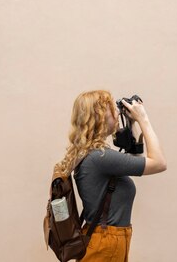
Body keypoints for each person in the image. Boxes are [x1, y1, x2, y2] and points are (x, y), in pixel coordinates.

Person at [55, 90, 167, 262]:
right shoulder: (100, 157)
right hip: (106, 243)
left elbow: (134, 163)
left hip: (106, 241)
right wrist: (143, 119)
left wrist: (132, 124)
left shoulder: (94, 155)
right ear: (98, 116)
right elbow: (159, 163)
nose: (117, 111)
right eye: (111, 107)